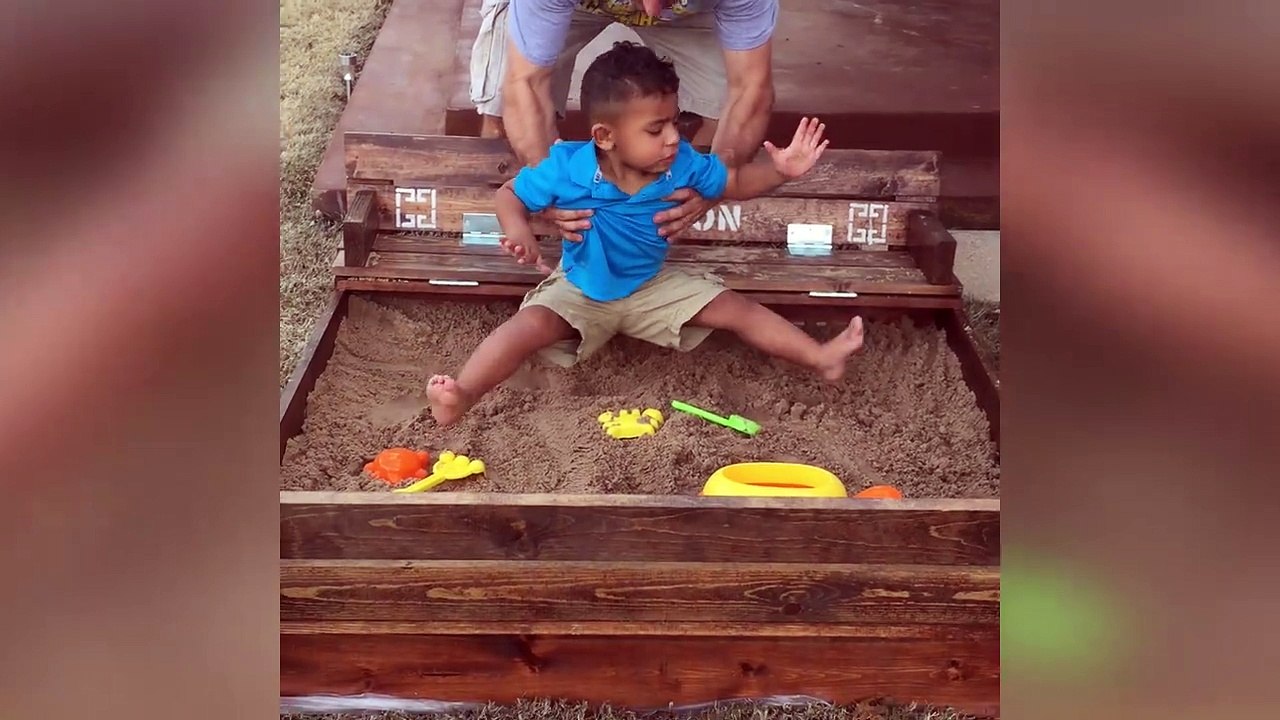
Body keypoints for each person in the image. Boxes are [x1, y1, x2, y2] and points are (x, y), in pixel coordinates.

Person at [427, 42, 863, 426]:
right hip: (579, 288)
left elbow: (732, 182)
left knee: (738, 309)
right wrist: (518, 230)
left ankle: (820, 357)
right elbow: (509, 194)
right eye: (656, 129)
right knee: (525, 327)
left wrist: (779, 172)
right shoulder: (566, 167)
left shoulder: (682, 164)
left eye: (674, 122)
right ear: (605, 136)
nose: (673, 137)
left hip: (652, 285)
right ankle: (461, 395)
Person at [468, 0, 779, 240]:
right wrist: (552, 189)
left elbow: (750, 88)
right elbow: (526, 83)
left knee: (723, 106)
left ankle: (668, 209)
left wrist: (712, 186)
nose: (651, 11)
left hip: (689, 15)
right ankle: (484, 225)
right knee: (501, 99)